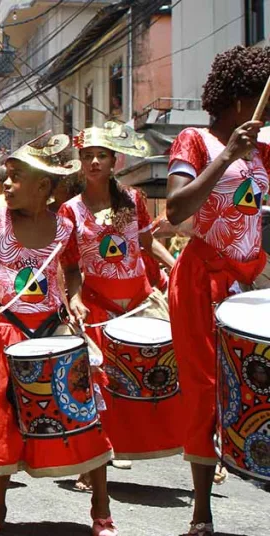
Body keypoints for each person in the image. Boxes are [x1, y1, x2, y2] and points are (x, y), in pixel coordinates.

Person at [0, 133, 117, 536]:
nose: (6, 185)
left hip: (55, 332)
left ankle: (101, 508)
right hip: (8, 334)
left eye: (16, 178)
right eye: (6, 177)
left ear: (43, 186)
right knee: (2, 420)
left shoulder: (65, 226)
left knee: (84, 413)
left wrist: (75, 298)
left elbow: (74, 271)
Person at [165, 45, 270, 536]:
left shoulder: (266, 153)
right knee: (207, 390)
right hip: (201, 280)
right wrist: (229, 153)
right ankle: (202, 511)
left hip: (251, 283)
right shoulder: (194, 141)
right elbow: (176, 210)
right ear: (236, 101)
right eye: (261, 100)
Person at [62, 122, 180, 487]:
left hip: (142, 302)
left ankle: (198, 445)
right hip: (97, 307)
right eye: (87, 156)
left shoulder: (133, 200)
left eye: (101, 155)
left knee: (169, 378)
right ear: (80, 163)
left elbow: (145, 243)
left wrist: (175, 267)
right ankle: (93, 461)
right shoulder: (70, 211)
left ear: (115, 160)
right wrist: (76, 297)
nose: (94, 162)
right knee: (99, 388)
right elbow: (70, 266)